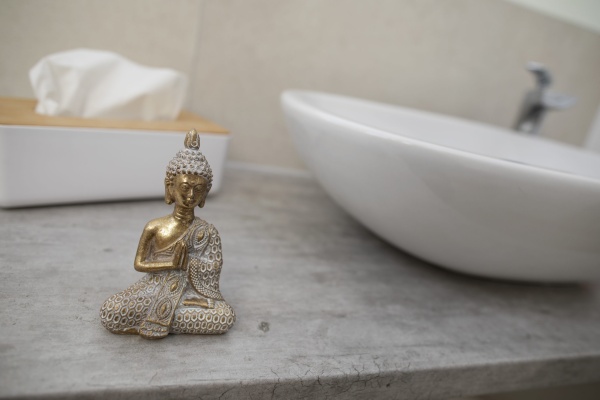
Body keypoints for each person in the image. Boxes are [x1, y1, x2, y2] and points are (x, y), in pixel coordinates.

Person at [100, 129, 235, 339]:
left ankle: (161, 317)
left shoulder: (208, 232)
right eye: (185, 187)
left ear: (205, 195)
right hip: (152, 289)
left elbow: (212, 271)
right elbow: (139, 264)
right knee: (111, 311)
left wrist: (189, 264)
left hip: (189, 296)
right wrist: (171, 263)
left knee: (224, 316)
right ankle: (169, 317)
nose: (191, 195)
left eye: (198, 189)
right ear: (170, 187)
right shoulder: (154, 226)